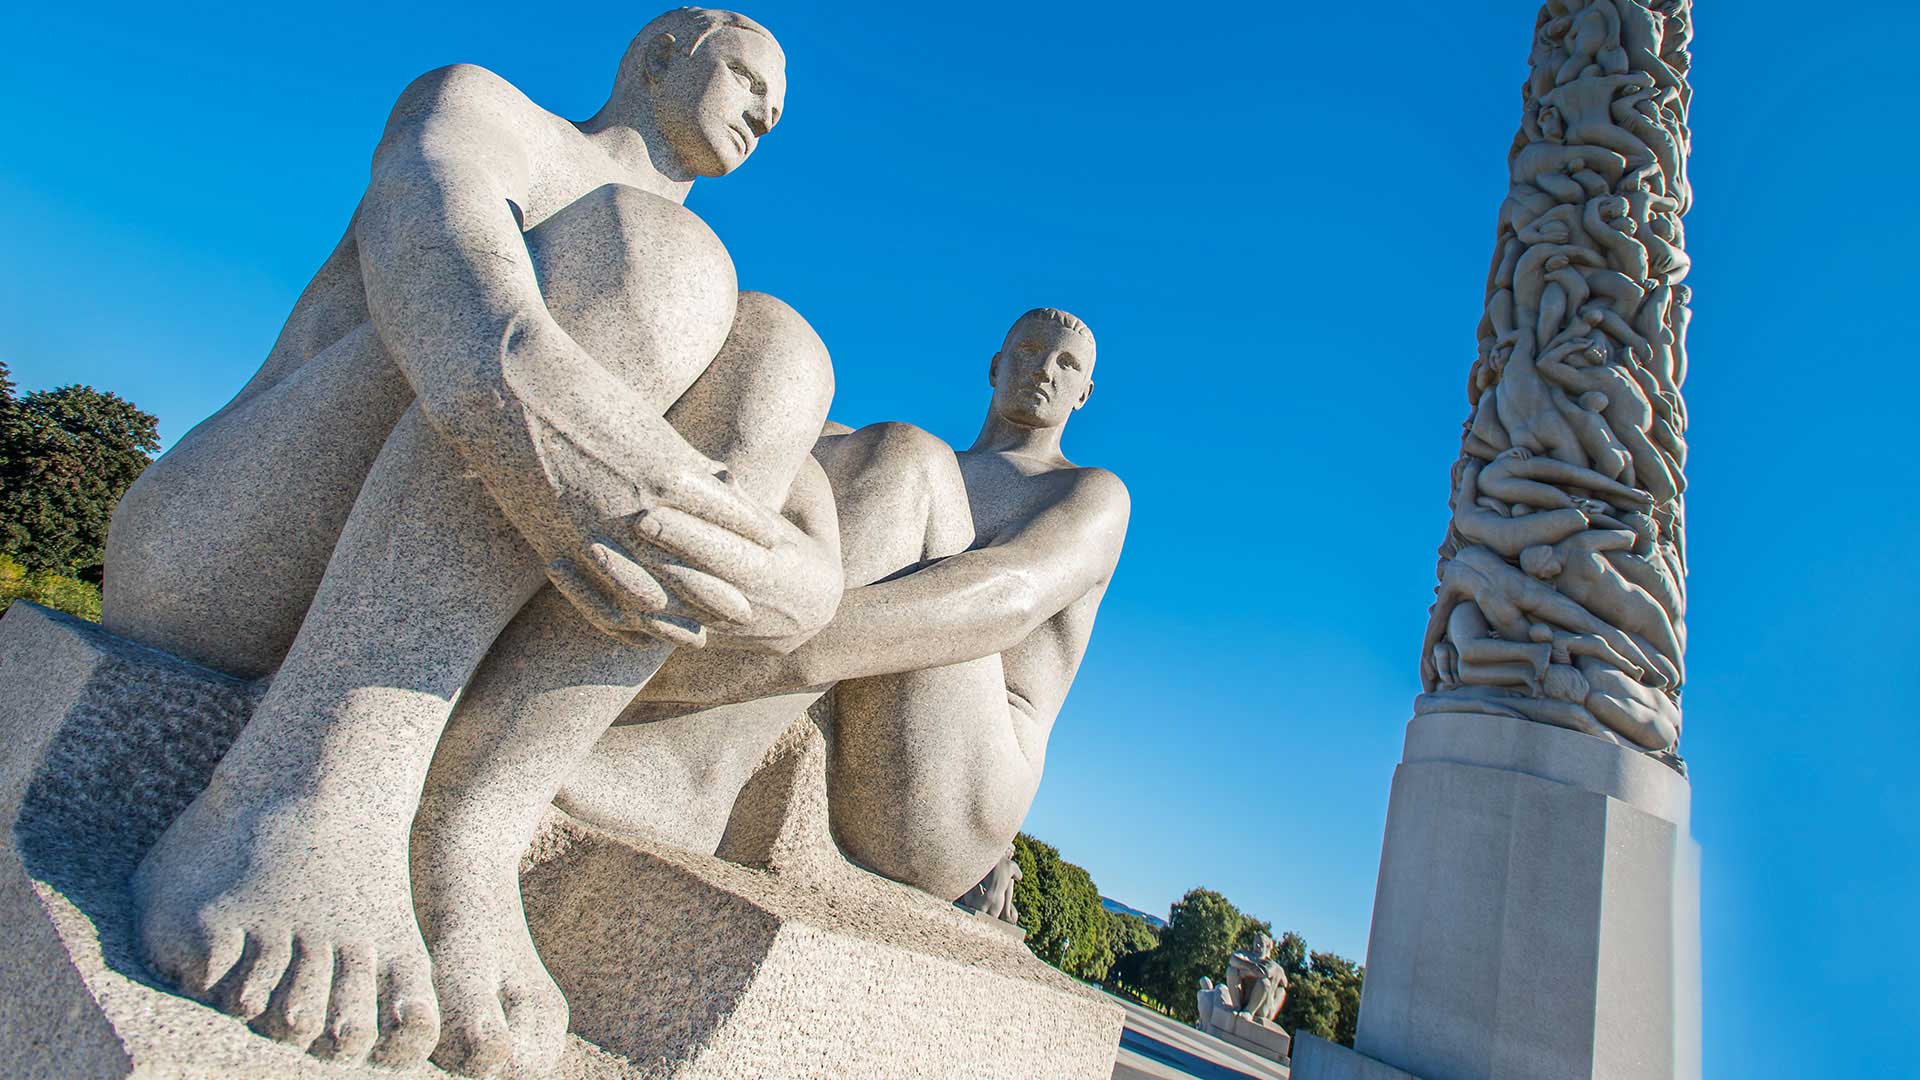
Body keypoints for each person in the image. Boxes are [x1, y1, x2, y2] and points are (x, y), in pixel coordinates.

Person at [103, 9, 842, 1071]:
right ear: (664, 51)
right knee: (657, 254)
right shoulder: (490, 111)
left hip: (449, 553)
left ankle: (467, 830)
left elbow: (807, 540)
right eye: (747, 77)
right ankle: (309, 786)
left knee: (789, 358)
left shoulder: (725, 324)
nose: (767, 115)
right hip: (219, 559)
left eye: (778, 113)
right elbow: (428, 215)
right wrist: (540, 404)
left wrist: (789, 588)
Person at [407, 307, 1128, 1072]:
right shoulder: (922, 468)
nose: (1043, 369)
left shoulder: (1088, 495)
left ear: (1085, 394)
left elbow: (1003, 597)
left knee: (905, 457)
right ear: (994, 364)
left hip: (957, 797)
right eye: (1027, 350)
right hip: (858, 729)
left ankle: (687, 764)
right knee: (832, 449)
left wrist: (747, 641)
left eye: (1067, 365)